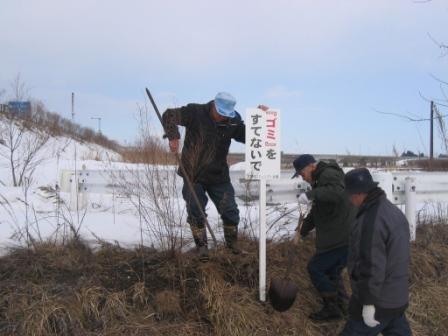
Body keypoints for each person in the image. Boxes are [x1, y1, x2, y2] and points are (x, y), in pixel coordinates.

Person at [162, 92, 266, 261]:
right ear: (213, 106)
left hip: (218, 175)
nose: (222, 117)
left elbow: (249, 136)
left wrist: (260, 121)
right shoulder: (195, 112)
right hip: (193, 173)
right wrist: (173, 136)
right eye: (220, 113)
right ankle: (201, 247)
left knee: (230, 210)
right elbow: (169, 115)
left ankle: (232, 246)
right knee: (196, 209)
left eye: (226, 115)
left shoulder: (233, 120)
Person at [340, 168, 411, 336]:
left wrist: (368, 303)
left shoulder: (371, 219)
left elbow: (371, 265)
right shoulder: (393, 212)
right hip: (397, 297)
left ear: (358, 194)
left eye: (350, 195)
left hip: (378, 302)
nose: (350, 200)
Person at [292, 154, 353, 321]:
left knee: (316, 268)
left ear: (311, 167)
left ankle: (332, 309)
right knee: (332, 271)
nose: (303, 178)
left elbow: (336, 193)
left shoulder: (328, 174)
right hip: (341, 235)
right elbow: (318, 212)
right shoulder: (320, 180)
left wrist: (311, 195)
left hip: (342, 236)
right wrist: (302, 231)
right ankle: (345, 308)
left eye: (302, 174)